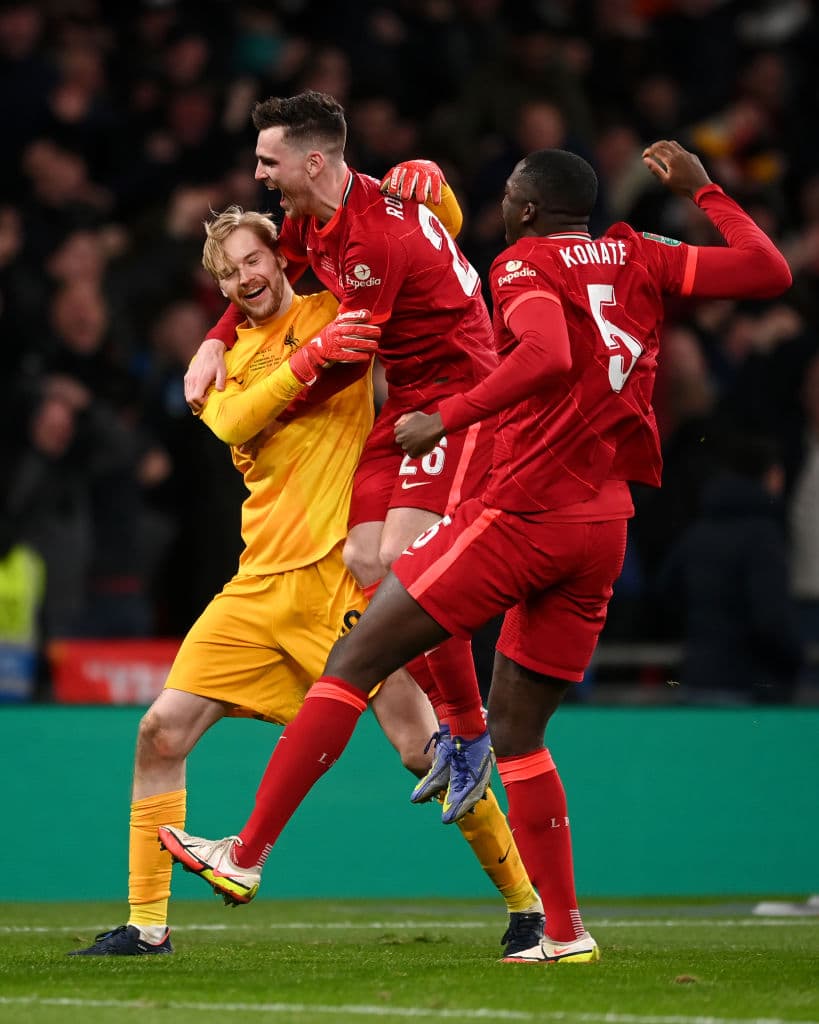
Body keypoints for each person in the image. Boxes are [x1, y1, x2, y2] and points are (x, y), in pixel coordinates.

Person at [160, 140, 792, 964]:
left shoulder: (523, 265)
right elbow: (768, 272)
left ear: (524, 210)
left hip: (524, 510)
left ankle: (245, 854)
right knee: (522, 736)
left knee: (354, 657)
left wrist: (449, 415)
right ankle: (563, 933)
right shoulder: (641, 255)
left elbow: (544, 353)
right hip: (604, 523)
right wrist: (707, 190)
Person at [70, 205, 541, 957]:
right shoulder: (221, 368)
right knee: (159, 731)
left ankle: (527, 908)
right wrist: (226, 342)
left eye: (253, 259)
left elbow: (417, 269)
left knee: (428, 751)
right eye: (227, 272)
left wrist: (436, 202)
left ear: (280, 258)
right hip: (258, 584)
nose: (245, 277)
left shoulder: (341, 308)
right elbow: (231, 424)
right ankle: (146, 925)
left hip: (348, 575)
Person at [184, 91, 500, 825]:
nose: (258, 172)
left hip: (456, 398)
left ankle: (469, 730)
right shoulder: (314, 219)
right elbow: (277, 269)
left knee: (404, 559)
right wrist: (213, 337)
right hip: (408, 402)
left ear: (313, 159)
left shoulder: (369, 243)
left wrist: (260, 404)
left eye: (268, 159)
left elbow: (339, 358)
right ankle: (454, 727)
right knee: (364, 560)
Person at [657, 431, 803, 705]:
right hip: (745, 684)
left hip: (696, 678)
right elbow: (772, 619)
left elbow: (666, 594)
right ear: (771, 475)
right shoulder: (763, 536)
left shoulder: (698, 531)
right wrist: (795, 661)